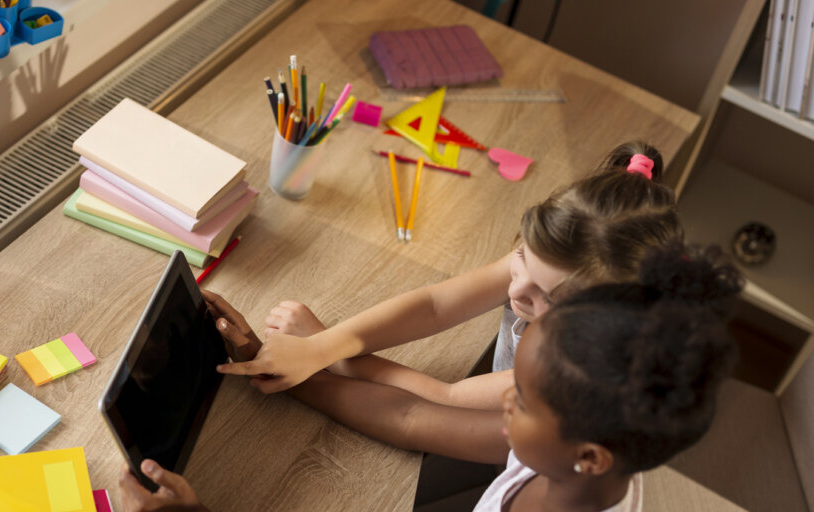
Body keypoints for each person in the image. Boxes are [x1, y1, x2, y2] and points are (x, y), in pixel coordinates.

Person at [118, 245, 743, 512]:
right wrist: (279, 362)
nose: (502, 402)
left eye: (520, 399)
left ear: (587, 453)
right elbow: (409, 419)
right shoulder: (595, 462)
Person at [216, 141, 682, 412]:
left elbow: (445, 397)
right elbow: (435, 306)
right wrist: (324, 345)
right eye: (519, 257)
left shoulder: (576, 364)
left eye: (546, 299)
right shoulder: (549, 265)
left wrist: (324, 349)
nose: (516, 288)